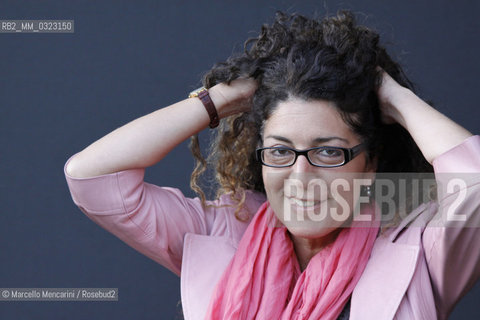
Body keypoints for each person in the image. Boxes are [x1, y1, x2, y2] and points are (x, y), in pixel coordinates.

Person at [64, 11, 480, 320]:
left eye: (328, 152)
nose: (301, 177)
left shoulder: (420, 248)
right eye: (281, 151)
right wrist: (218, 100)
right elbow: (92, 177)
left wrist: (392, 97)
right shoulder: (222, 231)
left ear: (369, 164)